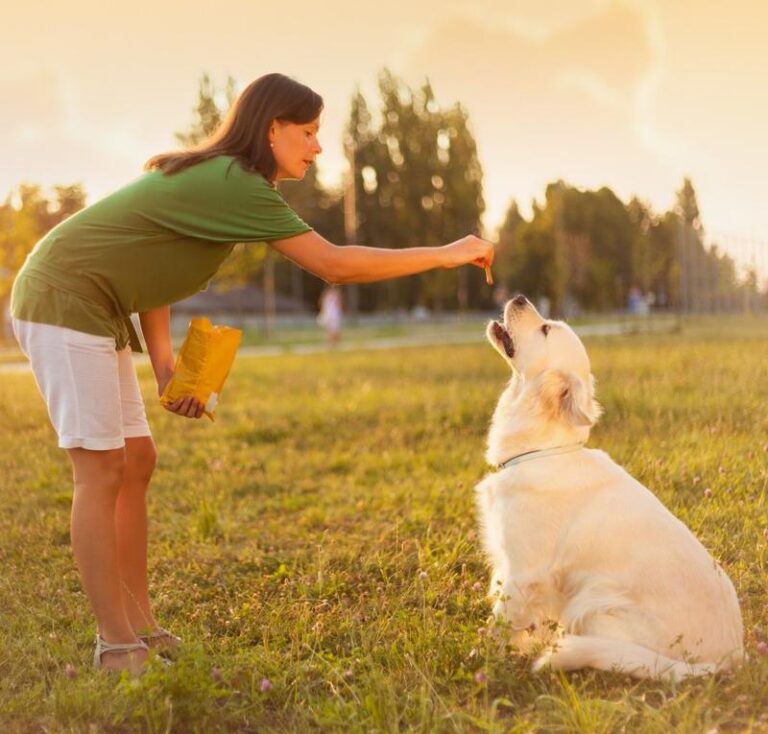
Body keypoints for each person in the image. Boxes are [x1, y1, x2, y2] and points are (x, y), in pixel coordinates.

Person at [9, 73, 494, 676]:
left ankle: (140, 624)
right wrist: (448, 252)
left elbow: (148, 265)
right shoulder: (237, 184)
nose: (318, 148)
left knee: (137, 459)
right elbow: (334, 267)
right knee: (101, 466)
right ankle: (115, 645)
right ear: (272, 128)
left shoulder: (224, 183)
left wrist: (165, 367)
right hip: (63, 297)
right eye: (310, 132)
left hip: (98, 304)